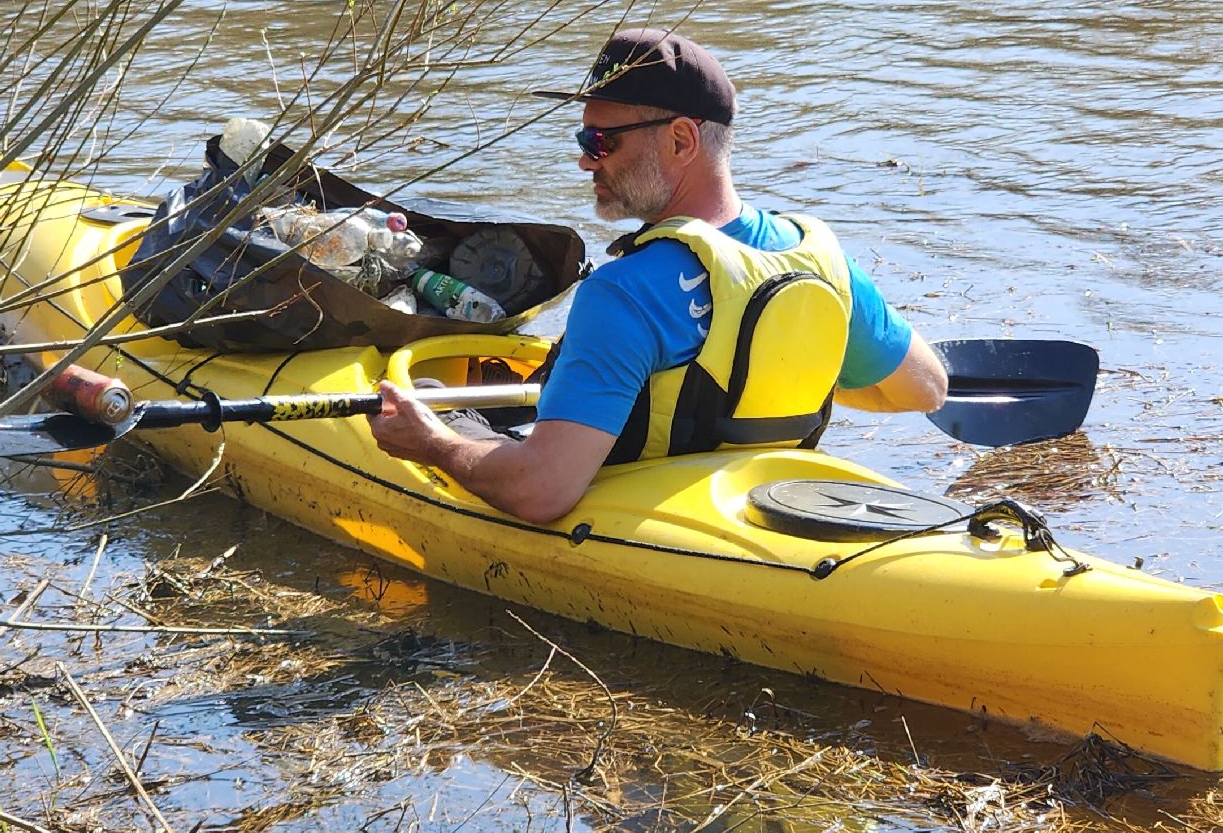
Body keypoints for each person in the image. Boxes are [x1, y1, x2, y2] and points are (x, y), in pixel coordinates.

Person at [367, 28, 947, 524]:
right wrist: (779, 362)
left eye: (602, 141)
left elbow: (541, 491)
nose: (585, 160)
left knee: (441, 407)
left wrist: (433, 444)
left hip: (651, 530)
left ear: (680, 139)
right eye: (583, 138)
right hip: (760, 508)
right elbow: (925, 388)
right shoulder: (820, 260)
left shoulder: (623, 294)